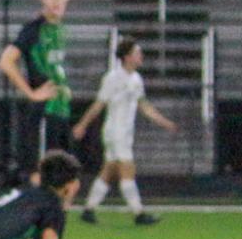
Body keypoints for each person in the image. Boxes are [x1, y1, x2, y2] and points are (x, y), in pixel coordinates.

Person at [72, 36, 177, 225]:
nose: (141, 56)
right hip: (115, 132)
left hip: (124, 133)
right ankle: (139, 213)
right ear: (127, 57)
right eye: (137, 53)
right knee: (128, 171)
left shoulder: (136, 79)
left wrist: (164, 122)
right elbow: (98, 104)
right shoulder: (112, 78)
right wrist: (82, 124)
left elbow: (144, 106)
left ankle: (88, 209)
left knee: (108, 171)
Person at [0, 0, 74, 182]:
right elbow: (6, 61)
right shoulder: (33, 30)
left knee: (63, 178)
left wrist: (63, 85)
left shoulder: (59, 29)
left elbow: (53, 66)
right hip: (44, 112)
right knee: (41, 175)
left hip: (60, 109)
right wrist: (31, 93)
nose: (57, 2)